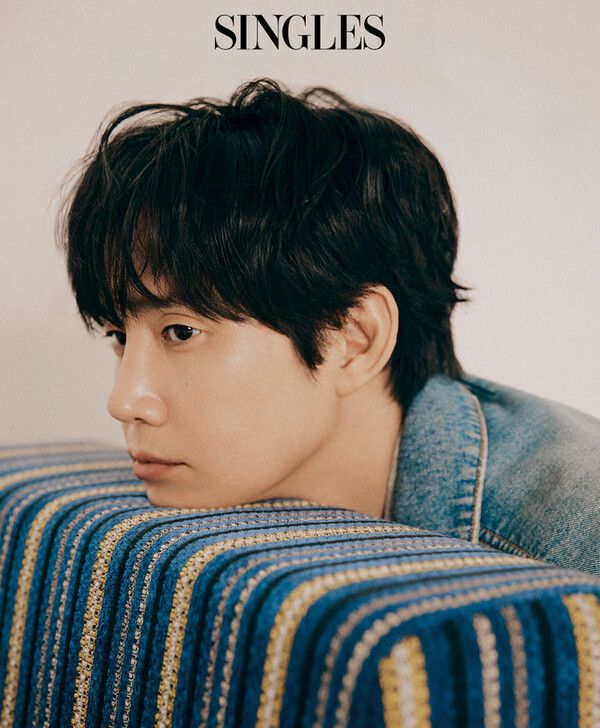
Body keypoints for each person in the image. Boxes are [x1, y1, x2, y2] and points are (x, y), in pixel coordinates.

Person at [58, 77, 600, 575]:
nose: (124, 402)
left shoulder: (568, 545)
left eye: (181, 331)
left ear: (354, 339)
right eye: (119, 336)